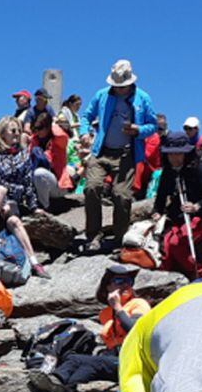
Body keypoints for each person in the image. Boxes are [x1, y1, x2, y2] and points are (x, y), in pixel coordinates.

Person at [28, 264, 149, 392]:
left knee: (92, 362)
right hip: (114, 357)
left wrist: (118, 308)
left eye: (128, 281)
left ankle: (55, 389)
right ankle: (58, 391)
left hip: (133, 359)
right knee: (78, 361)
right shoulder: (105, 314)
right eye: (118, 281)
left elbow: (134, 329)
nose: (125, 285)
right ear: (108, 287)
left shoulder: (138, 304)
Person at [79, 59, 157, 251]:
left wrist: (138, 130)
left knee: (121, 195)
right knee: (91, 187)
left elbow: (153, 125)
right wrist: (84, 132)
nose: (120, 89)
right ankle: (93, 236)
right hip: (101, 151)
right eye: (116, 86)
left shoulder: (143, 98)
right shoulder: (101, 95)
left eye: (123, 86)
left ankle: (119, 237)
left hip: (127, 154)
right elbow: (86, 117)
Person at [0, 116, 51, 279]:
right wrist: (8, 196)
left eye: (19, 130)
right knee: (0, 189)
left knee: (15, 222)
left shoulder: (23, 154)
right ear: (2, 133)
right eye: (13, 130)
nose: (17, 134)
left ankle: (34, 262)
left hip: (11, 200)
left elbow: (28, 183)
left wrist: (34, 206)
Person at [151, 131, 202, 278]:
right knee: (166, 245)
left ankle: (198, 273)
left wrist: (196, 206)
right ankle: (166, 279)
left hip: (198, 219)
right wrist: (157, 212)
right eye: (171, 154)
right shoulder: (168, 173)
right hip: (176, 219)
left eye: (178, 153)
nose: (174, 157)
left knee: (177, 242)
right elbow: (161, 197)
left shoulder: (199, 169)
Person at [28, 113, 74, 212]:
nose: (37, 131)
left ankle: (45, 207)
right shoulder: (34, 140)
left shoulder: (58, 140)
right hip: (40, 184)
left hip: (58, 185)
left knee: (39, 173)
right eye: (35, 128)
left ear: (48, 127)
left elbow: (62, 135)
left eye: (40, 127)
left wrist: (53, 123)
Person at [134, 114, 169, 200]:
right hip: (146, 169)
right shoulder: (147, 136)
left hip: (154, 171)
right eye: (156, 128)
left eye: (161, 129)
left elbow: (146, 155)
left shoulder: (166, 139)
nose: (158, 131)